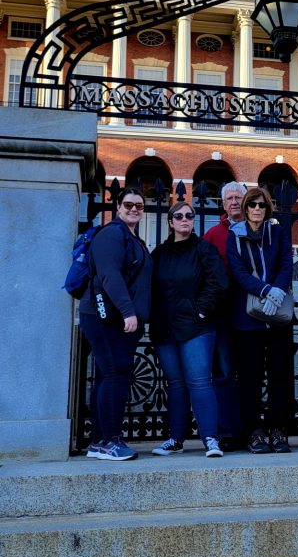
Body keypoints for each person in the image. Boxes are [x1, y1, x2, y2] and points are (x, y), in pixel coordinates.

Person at [149, 201, 228, 457]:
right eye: (179, 216)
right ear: (170, 222)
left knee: (200, 382)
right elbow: (149, 288)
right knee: (176, 384)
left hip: (196, 327)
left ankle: (210, 439)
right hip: (165, 328)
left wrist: (200, 309)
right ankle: (175, 439)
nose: (185, 219)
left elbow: (218, 283)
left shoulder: (203, 249)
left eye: (189, 216)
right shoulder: (159, 254)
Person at [79, 187, 153, 461]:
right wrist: (128, 312)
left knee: (108, 375)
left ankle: (99, 441)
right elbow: (109, 276)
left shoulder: (133, 238)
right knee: (115, 374)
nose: (134, 209)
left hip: (119, 318)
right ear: (118, 206)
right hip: (107, 317)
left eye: (139, 205)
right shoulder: (111, 234)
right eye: (129, 204)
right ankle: (109, 440)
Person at [226, 187, 293, 454]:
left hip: (278, 317)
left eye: (261, 205)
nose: (256, 209)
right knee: (250, 377)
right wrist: (265, 290)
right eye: (252, 204)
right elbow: (238, 270)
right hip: (248, 316)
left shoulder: (277, 233)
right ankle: (253, 431)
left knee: (280, 375)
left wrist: (277, 289)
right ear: (245, 207)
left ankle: (278, 429)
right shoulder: (235, 236)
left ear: (268, 209)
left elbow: (286, 264)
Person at [204, 181, 247, 449]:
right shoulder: (212, 234)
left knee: (250, 372)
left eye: (238, 197)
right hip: (222, 312)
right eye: (229, 198)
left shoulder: (259, 228)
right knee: (223, 373)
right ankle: (228, 432)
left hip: (251, 309)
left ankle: (250, 429)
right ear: (223, 204)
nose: (234, 202)